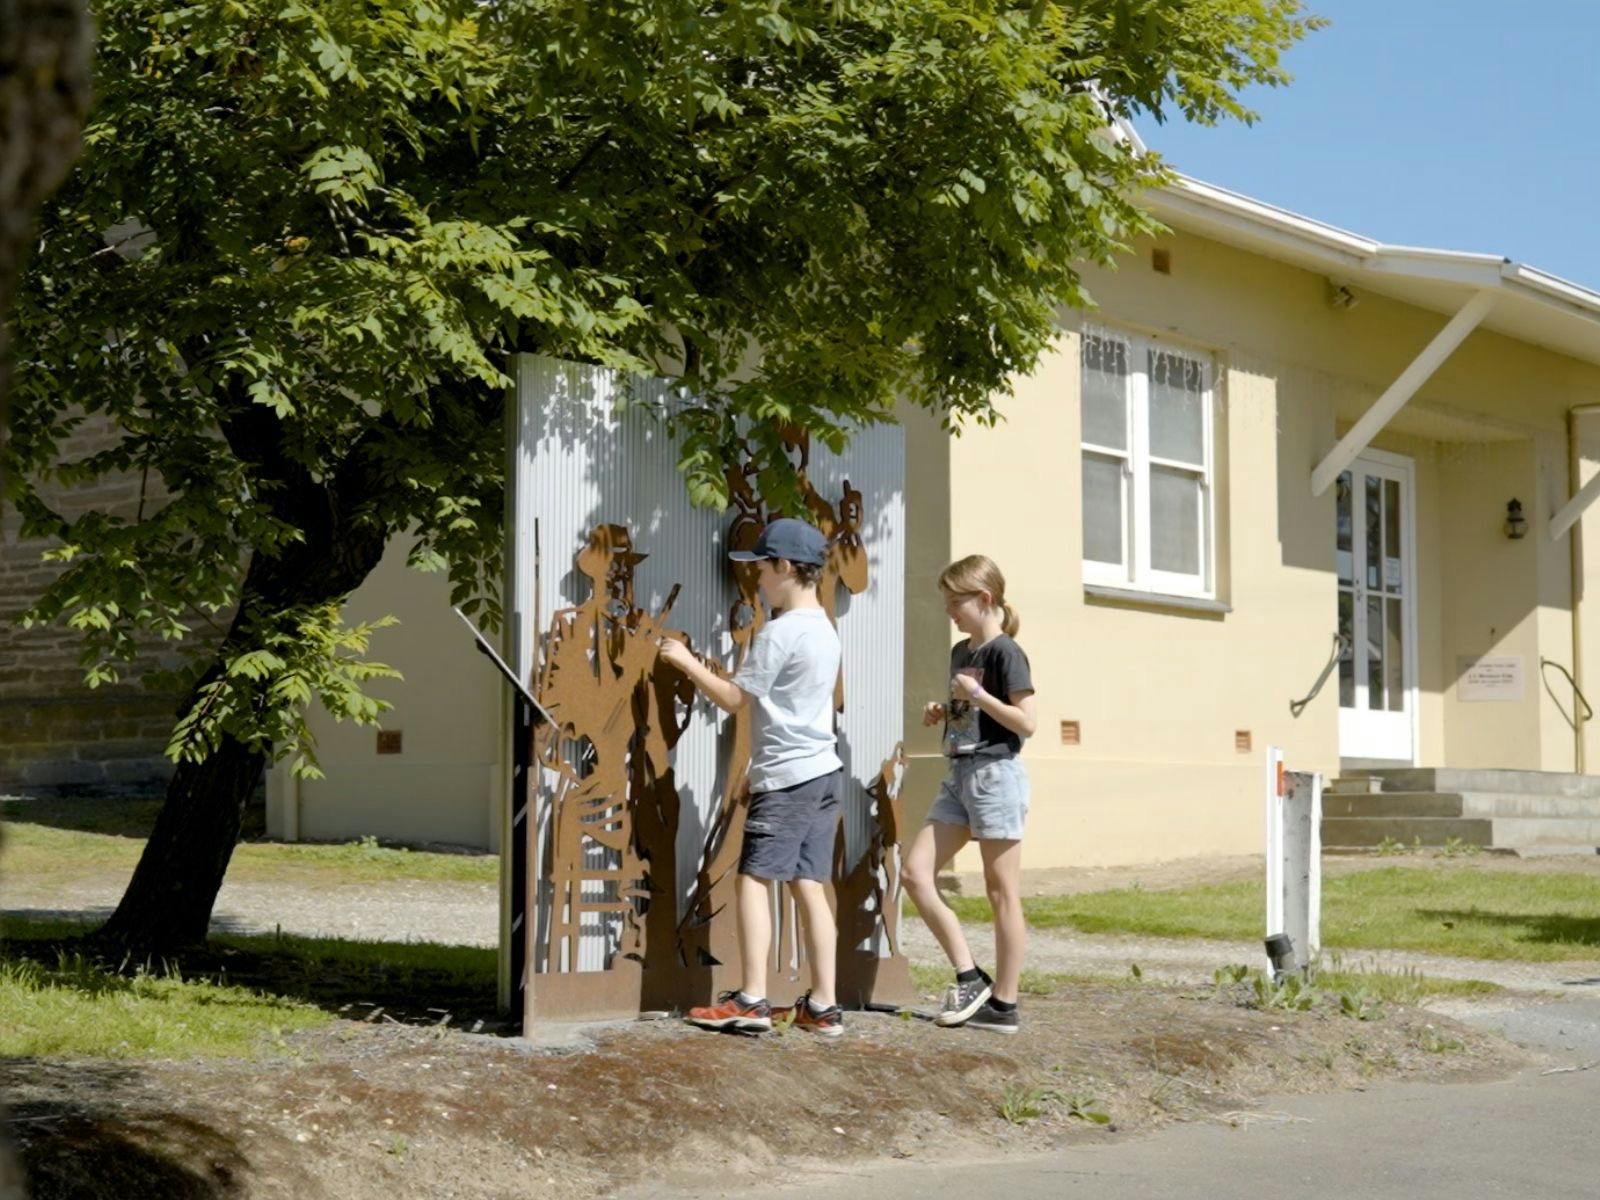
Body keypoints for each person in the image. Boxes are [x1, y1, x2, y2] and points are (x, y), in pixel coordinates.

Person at [657, 517, 846, 1037]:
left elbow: (735, 699)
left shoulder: (779, 633)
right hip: (823, 772)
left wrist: (686, 662)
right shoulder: (824, 628)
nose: (757, 578)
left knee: (753, 880)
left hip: (787, 778)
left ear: (785, 567)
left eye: (762, 567)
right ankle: (823, 1007)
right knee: (811, 884)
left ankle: (752, 1000)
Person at [901, 554, 1036, 1034]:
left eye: (955, 602)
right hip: (958, 774)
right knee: (914, 873)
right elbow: (970, 717)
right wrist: (946, 709)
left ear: (984, 599)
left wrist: (978, 698)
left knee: (1002, 893)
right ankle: (968, 974)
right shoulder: (962, 653)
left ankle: (1005, 1004)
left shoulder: (1005, 653)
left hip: (996, 774)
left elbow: (1026, 723)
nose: (949, 612)